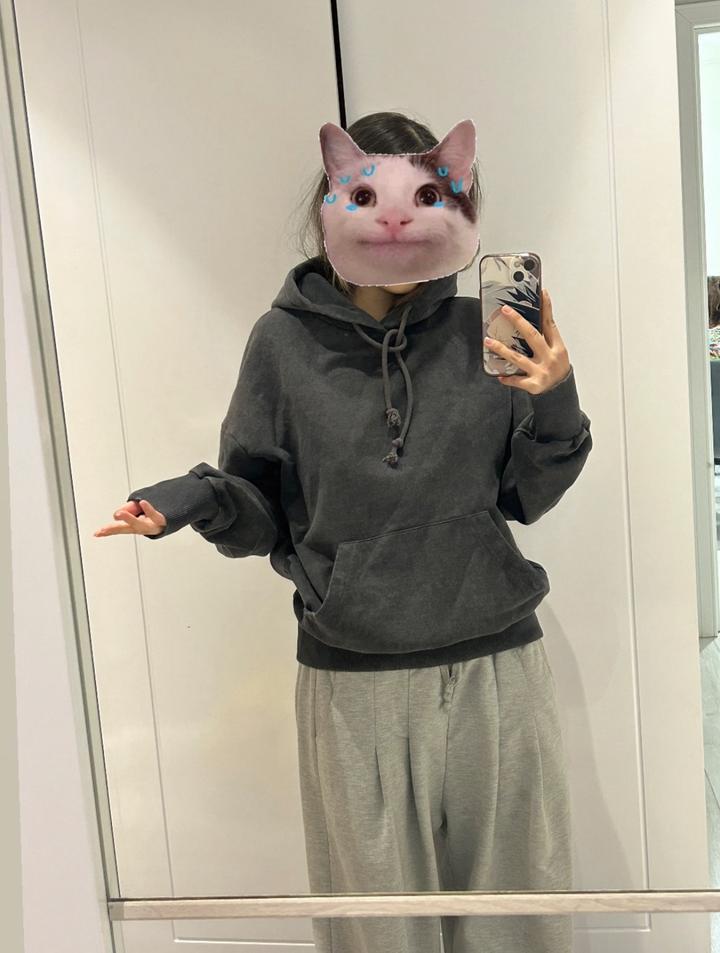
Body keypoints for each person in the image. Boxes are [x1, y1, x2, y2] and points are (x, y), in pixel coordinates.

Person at [94, 111, 593, 953]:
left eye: (429, 196)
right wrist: (185, 501)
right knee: (377, 929)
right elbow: (257, 503)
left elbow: (527, 495)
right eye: (367, 197)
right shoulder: (283, 343)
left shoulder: (485, 327)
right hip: (354, 677)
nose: (397, 219)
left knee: (520, 920)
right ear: (335, 203)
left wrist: (556, 395)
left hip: (496, 665)